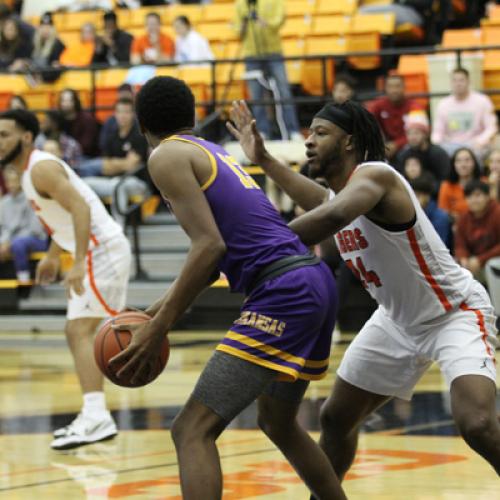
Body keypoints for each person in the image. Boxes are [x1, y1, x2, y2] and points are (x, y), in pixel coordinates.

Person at [228, 99, 500, 484]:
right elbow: (321, 201)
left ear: (349, 142)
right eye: (309, 133)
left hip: (453, 313)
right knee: (335, 418)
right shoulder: (341, 196)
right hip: (397, 321)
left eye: (321, 133)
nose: (309, 141)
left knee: (477, 424)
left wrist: (257, 248)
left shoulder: (377, 177)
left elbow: (333, 215)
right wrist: (264, 159)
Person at [108, 76, 346, 500]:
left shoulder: (165, 155)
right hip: (311, 279)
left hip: (284, 291)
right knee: (277, 422)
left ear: (142, 125)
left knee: (190, 429)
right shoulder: (208, 150)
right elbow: (211, 259)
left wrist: (159, 327)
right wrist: (149, 314)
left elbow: (209, 248)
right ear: (192, 116)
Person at [0, 109, 131, 450]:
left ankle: (97, 416)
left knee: (80, 331)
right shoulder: (29, 173)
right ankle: (94, 413)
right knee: (79, 331)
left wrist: (78, 261)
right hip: (94, 251)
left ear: (26, 137)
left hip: (101, 251)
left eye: (4, 135)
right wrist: (53, 255)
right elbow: (64, 218)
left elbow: (81, 209)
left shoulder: (41, 168)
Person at [234, 0, 302, 141]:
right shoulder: (240, 4)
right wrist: (244, 24)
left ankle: (292, 130)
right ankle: (262, 131)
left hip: (273, 52)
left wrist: (264, 21)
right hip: (251, 55)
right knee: (256, 95)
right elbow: (236, 31)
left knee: (283, 91)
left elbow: (279, 20)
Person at [78, 98, 149, 227]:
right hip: (112, 180)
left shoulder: (139, 135)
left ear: (133, 114)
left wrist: (115, 164)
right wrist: (122, 163)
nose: (123, 115)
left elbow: (131, 165)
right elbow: (105, 166)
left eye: (126, 112)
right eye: (120, 112)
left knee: (118, 186)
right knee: (84, 184)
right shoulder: (112, 135)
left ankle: (118, 229)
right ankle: (93, 227)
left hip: (137, 182)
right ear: (115, 114)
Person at [431, 67, 498, 159]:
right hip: (451, 146)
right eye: (454, 80)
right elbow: (437, 132)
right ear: (450, 83)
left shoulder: (482, 101)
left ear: (468, 82)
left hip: (475, 145)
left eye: (461, 80)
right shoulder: (443, 104)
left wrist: (480, 141)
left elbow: (491, 128)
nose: (458, 84)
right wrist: (436, 145)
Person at [0, 167, 48, 284]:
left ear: (21, 182)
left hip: (36, 239)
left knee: (18, 244)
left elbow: (35, 229)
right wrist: (4, 242)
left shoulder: (31, 199)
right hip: (12, 241)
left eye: (14, 181)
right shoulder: (4, 203)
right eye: (8, 181)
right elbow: (4, 228)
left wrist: (10, 242)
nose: (11, 185)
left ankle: (24, 279)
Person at [366, 74, 423, 160]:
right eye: (390, 86)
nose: (394, 90)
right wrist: (379, 143)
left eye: (397, 86)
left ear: (404, 88)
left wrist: (396, 144)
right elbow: (366, 120)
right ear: (385, 89)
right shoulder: (379, 105)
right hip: (385, 146)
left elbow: (419, 135)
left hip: (409, 146)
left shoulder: (415, 106)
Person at [455, 180, 500, 282]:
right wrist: (463, 257)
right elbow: (460, 244)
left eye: (478, 195)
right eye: (469, 196)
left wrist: (481, 260)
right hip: (473, 262)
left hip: (493, 261)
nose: (473, 200)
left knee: (492, 265)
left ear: (487, 196)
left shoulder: (497, 212)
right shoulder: (464, 218)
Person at [396, 110, 450, 184]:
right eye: (409, 133)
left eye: (416, 133)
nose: (412, 137)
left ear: (426, 134)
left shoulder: (438, 154)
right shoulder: (403, 155)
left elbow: (444, 180)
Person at [438, 147, 482, 221]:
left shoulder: (483, 183)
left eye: (467, 160)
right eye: (458, 161)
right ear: (453, 164)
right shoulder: (446, 186)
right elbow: (443, 211)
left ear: (474, 163)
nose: (463, 165)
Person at [410, 175, 452, 250]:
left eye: (417, 196)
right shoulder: (410, 214)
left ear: (427, 196)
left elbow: (439, 247)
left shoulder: (440, 217)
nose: (414, 200)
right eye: (412, 196)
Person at [58, 88, 100, 158]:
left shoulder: (87, 119)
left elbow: (86, 146)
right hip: (65, 155)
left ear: (76, 101)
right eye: (63, 100)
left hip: (87, 157)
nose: (66, 104)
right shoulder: (59, 119)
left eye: (69, 100)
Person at [29, 12, 65, 83]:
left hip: (48, 81)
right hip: (33, 79)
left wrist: (41, 77)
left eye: (48, 27)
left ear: (52, 29)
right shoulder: (33, 43)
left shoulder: (57, 45)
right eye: (43, 27)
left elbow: (56, 68)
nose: (45, 30)